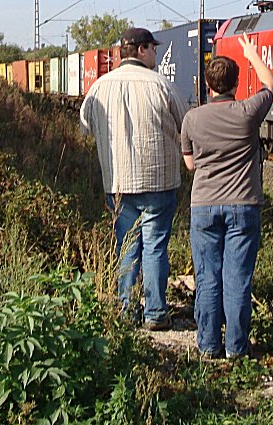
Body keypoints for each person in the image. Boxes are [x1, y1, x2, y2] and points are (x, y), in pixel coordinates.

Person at [80, 26, 187, 330]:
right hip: (159, 181)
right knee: (155, 247)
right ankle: (155, 312)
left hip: (117, 183)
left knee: (125, 246)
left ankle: (126, 309)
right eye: (153, 48)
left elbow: (85, 125)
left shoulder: (100, 87)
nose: (156, 53)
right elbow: (185, 125)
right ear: (141, 50)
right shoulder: (162, 85)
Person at [180, 35, 273, 358]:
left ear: (208, 86)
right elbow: (271, 83)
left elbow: (190, 164)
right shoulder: (248, 111)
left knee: (208, 278)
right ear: (236, 84)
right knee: (237, 279)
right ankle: (237, 348)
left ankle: (208, 346)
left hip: (204, 205)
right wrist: (252, 53)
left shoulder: (192, 118)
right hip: (243, 204)